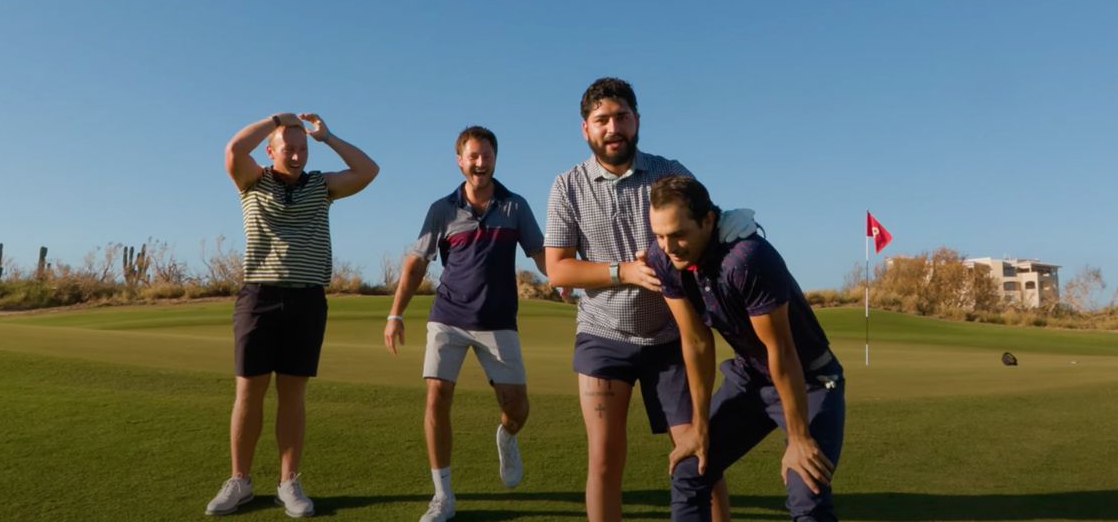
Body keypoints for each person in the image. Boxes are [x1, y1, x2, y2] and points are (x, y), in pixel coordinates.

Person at [544, 78, 753, 522]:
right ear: (586, 129)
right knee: (604, 459)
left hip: (671, 337)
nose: (613, 127)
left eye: (621, 116)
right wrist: (626, 271)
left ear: (637, 120)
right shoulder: (567, 185)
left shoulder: (669, 173)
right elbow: (558, 268)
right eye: (601, 120)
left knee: (701, 453)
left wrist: (733, 223)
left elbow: (707, 229)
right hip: (603, 335)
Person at [207, 112, 380, 518]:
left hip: (306, 300)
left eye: (302, 149)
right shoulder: (252, 181)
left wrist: (328, 137)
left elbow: (368, 170)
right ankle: (240, 481)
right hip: (259, 297)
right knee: (248, 392)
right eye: (290, 148)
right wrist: (275, 120)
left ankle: (288, 483)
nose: (298, 155)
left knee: (292, 395)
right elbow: (234, 150)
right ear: (271, 150)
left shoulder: (321, 186)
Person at [646, 175, 845, 522]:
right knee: (690, 470)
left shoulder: (747, 259)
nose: (668, 246)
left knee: (806, 488)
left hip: (810, 379)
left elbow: (782, 350)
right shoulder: (663, 259)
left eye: (678, 234)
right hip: (750, 376)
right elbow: (695, 341)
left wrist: (798, 439)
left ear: (708, 220)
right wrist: (699, 427)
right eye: (660, 235)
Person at [384, 126, 547, 522]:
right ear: (460, 161)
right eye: (472, 156)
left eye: (486, 155)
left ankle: (506, 437)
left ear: (494, 158)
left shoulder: (515, 206)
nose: (480, 162)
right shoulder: (442, 209)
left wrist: (564, 282)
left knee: (518, 409)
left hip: (497, 322)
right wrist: (395, 313)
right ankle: (443, 496)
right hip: (448, 318)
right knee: (436, 397)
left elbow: (541, 254)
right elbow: (415, 264)